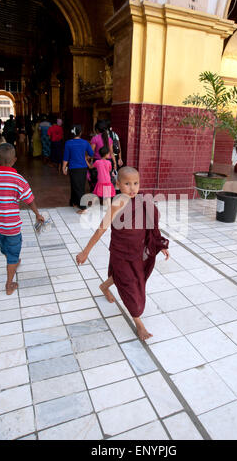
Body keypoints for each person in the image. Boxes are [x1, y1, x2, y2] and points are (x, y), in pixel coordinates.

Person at [76, 166, 170, 340]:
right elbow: (101, 229)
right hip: (121, 251)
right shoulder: (117, 203)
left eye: (136, 183)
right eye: (127, 184)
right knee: (129, 285)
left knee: (131, 276)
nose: (133, 188)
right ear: (117, 184)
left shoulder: (142, 200)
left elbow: (151, 225)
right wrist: (85, 251)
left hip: (138, 250)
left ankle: (104, 286)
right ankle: (138, 323)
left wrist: (159, 244)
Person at [0, 143, 44, 295]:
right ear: (15, 159)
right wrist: (37, 214)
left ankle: (13, 260)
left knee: (4, 248)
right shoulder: (18, 179)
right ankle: (9, 284)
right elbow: (29, 199)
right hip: (12, 226)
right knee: (12, 254)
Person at [62, 126, 94, 213]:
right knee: (79, 186)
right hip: (83, 168)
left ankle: (83, 207)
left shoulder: (68, 143)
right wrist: (85, 157)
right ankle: (74, 202)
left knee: (75, 186)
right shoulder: (85, 143)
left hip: (73, 168)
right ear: (80, 133)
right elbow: (91, 154)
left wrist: (63, 167)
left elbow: (66, 157)